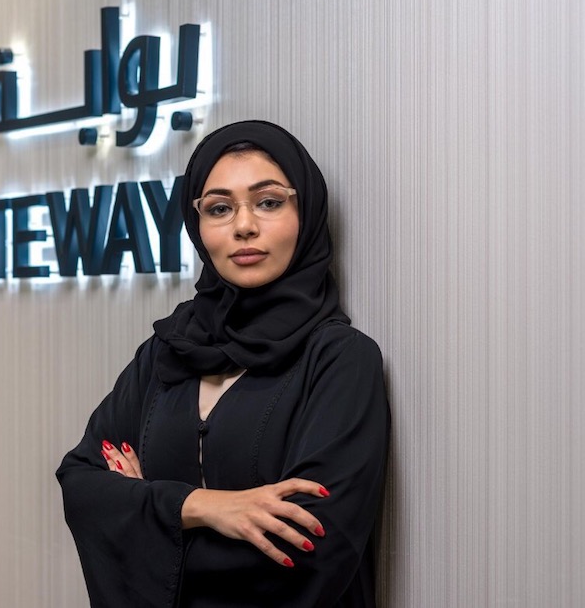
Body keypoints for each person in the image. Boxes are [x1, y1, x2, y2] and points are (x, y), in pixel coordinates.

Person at [56, 120, 390, 607]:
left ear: (307, 213)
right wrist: (205, 507)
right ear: (197, 227)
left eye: (269, 202)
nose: (244, 226)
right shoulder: (168, 351)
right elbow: (82, 484)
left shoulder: (340, 359)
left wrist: (147, 519)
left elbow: (313, 548)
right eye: (219, 208)